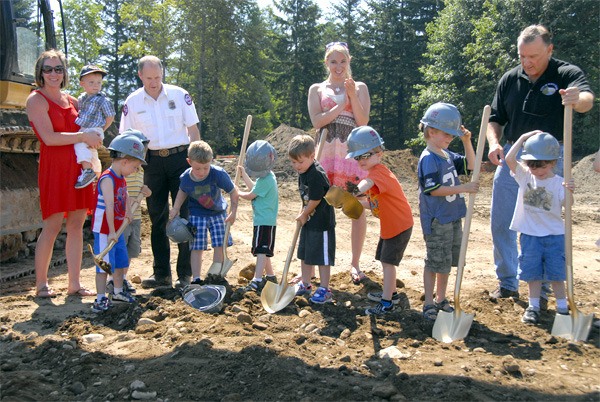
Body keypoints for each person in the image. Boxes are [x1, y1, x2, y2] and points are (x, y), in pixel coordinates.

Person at [487, 24, 594, 305]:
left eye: (533, 56)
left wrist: (576, 99)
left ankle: (544, 290)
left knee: (540, 222)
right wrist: (494, 143)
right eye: (522, 56)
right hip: (513, 156)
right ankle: (508, 283)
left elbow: (586, 99)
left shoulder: (565, 74)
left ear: (549, 49)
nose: (527, 62)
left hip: (547, 162)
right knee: (501, 222)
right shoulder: (510, 79)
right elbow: (495, 118)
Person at [26, 49, 102, 298]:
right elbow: (48, 137)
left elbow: (92, 123)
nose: (53, 74)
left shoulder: (73, 101)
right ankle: (41, 285)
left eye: (58, 69)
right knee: (52, 224)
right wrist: (82, 136)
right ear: (40, 72)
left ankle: (74, 283)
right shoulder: (36, 100)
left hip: (79, 169)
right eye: (48, 69)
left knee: (77, 225)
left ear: (64, 73)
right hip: (55, 168)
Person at [120, 55, 201, 289]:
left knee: (184, 216)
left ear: (162, 74)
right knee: (158, 217)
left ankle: (184, 274)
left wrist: (195, 161)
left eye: (158, 77)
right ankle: (161, 274)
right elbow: (128, 137)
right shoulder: (133, 102)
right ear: (140, 76)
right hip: (151, 162)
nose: (154, 82)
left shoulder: (179, 95)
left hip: (180, 159)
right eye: (149, 78)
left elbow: (193, 130)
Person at [307, 41, 370, 285]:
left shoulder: (360, 87)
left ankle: (355, 264)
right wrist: (341, 104)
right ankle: (310, 267)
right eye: (333, 61)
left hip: (351, 154)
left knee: (356, 208)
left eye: (343, 61)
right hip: (324, 153)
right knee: (317, 207)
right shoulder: (317, 89)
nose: (338, 66)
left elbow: (363, 121)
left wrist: (351, 95)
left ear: (349, 61)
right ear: (326, 63)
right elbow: (317, 121)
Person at [417, 103, 478, 320]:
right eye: (447, 134)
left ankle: (442, 298)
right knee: (434, 261)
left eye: (453, 135)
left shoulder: (447, 155)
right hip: (437, 220)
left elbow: (472, 166)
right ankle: (429, 303)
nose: (450, 138)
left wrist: (466, 141)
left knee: (447, 262)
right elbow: (433, 190)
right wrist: (464, 188)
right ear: (431, 132)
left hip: (452, 218)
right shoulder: (428, 159)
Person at [504, 131, 573, 324]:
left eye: (541, 166)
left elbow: (568, 205)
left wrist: (570, 191)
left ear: (552, 162)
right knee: (532, 274)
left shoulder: (559, 182)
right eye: (532, 166)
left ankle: (562, 308)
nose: (537, 171)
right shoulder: (525, 177)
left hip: (554, 236)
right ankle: (533, 307)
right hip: (530, 235)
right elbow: (509, 158)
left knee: (556, 274)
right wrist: (523, 137)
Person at [345, 127, 413, 315]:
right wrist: (353, 201)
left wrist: (353, 190)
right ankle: (391, 293)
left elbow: (365, 186)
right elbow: (373, 203)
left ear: (379, 153)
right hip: (392, 225)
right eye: (357, 158)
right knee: (385, 260)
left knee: (388, 263)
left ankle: (387, 303)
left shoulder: (379, 172)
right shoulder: (374, 175)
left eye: (365, 155)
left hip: (398, 225)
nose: (361, 161)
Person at [168, 141, 239, 285]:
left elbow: (233, 192)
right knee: (197, 246)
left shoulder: (218, 174)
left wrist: (233, 212)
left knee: (219, 244)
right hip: (197, 214)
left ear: (211, 161)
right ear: (189, 162)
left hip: (218, 213)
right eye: (197, 168)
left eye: (205, 168)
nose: (201, 172)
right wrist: (175, 208)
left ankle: (216, 275)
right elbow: (182, 191)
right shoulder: (186, 177)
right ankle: (196, 278)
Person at [91, 134, 148, 312]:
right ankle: (100, 299)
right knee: (103, 265)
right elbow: (108, 205)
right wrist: (112, 232)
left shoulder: (121, 178)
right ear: (124, 161)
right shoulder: (108, 178)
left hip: (117, 228)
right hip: (105, 230)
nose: (135, 171)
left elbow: (125, 196)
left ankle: (117, 292)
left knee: (120, 262)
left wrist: (128, 212)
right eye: (135, 167)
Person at [288, 135, 336, 304]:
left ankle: (324, 289)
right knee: (305, 253)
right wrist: (304, 213)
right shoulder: (303, 171)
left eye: (300, 162)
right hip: (309, 220)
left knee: (322, 257)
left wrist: (304, 213)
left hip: (321, 222)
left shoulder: (316, 174)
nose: (296, 166)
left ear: (311, 156)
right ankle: (306, 283)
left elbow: (315, 199)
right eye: (293, 162)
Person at [106, 129, 152, 296]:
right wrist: (127, 202)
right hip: (122, 218)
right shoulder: (120, 172)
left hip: (136, 216)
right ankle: (113, 280)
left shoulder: (138, 169)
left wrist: (145, 191)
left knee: (130, 251)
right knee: (120, 249)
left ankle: (123, 278)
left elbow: (140, 188)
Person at [237, 140, 279, 293]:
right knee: (264, 250)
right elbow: (254, 189)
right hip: (264, 221)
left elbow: (250, 195)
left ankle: (257, 280)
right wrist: (244, 175)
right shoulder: (267, 178)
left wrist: (237, 192)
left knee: (261, 250)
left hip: (264, 221)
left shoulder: (266, 180)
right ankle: (271, 276)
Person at [73, 65, 116, 189]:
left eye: (99, 82)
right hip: (85, 128)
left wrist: (101, 129)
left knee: (79, 144)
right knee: (92, 153)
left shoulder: (102, 100)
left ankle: (87, 171)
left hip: (95, 129)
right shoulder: (81, 99)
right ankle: (97, 175)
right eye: (91, 82)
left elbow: (110, 116)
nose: (96, 85)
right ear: (82, 83)